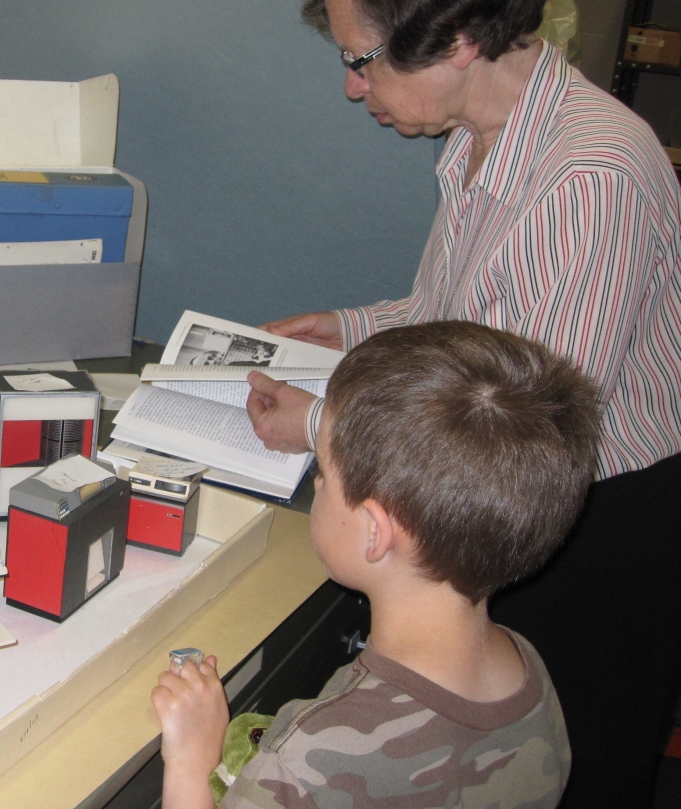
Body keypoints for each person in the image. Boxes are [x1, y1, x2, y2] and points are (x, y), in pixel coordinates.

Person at [244, 0, 681, 805]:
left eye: (362, 58)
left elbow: (516, 426)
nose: (354, 88)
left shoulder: (586, 180)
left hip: (589, 519)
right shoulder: (485, 139)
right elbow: (471, 323)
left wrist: (323, 423)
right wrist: (349, 326)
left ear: (458, 39)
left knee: (569, 770)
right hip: (510, 491)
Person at [153, 321, 602, 809]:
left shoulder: (312, 758)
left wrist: (192, 764)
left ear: (375, 532)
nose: (319, 486)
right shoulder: (528, 672)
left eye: (323, 471)